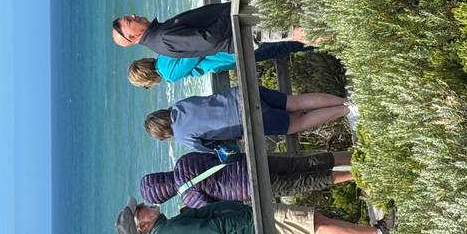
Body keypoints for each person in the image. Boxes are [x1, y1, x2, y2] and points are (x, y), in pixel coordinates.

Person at [115, 196, 391, 234]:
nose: (145, 205)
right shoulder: (170, 233)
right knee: (316, 224)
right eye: (140, 209)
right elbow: (216, 229)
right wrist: (251, 215)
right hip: (253, 227)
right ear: (143, 224)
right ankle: (378, 233)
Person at [144, 86, 349, 153]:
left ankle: (345, 111)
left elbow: (215, 148)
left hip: (247, 118)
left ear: (163, 134)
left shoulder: (182, 137)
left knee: (297, 125)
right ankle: (347, 101)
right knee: (294, 102)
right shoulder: (179, 105)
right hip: (243, 93)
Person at [140, 151, 354, 208]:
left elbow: (218, 207)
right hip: (249, 162)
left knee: (306, 182)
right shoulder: (183, 161)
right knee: (301, 164)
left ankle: (355, 173)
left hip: (252, 187)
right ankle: (351, 156)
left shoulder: (189, 199)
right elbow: (213, 156)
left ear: (165, 196)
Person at [112, 1, 313, 57]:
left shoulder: (159, 35)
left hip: (240, 27)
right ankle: (334, 35)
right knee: (296, 31)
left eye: (129, 16)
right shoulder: (162, 38)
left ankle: (331, 33)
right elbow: (208, 39)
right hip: (242, 30)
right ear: (132, 37)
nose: (133, 16)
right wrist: (228, 14)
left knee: (296, 31)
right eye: (129, 21)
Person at [127, 40, 309, 88]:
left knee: (279, 48)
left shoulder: (169, 74)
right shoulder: (162, 53)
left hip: (227, 54)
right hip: (225, 47)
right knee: (277, 42)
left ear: (147, 79)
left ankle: (317, 40)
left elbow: (194, 54)